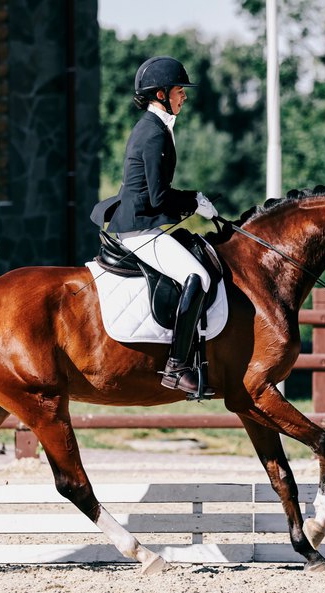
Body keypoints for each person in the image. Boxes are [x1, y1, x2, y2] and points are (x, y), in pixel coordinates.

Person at [93, 56, 218, 396]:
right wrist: (193, 203)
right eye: (180, 91)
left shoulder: (157, 128)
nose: (184, 97)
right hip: (139, 228)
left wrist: (194, 198)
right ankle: (177, 368)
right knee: (199, 277)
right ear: (161, 94)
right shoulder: (153, 134)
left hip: (144, 223)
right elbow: (160, 197)